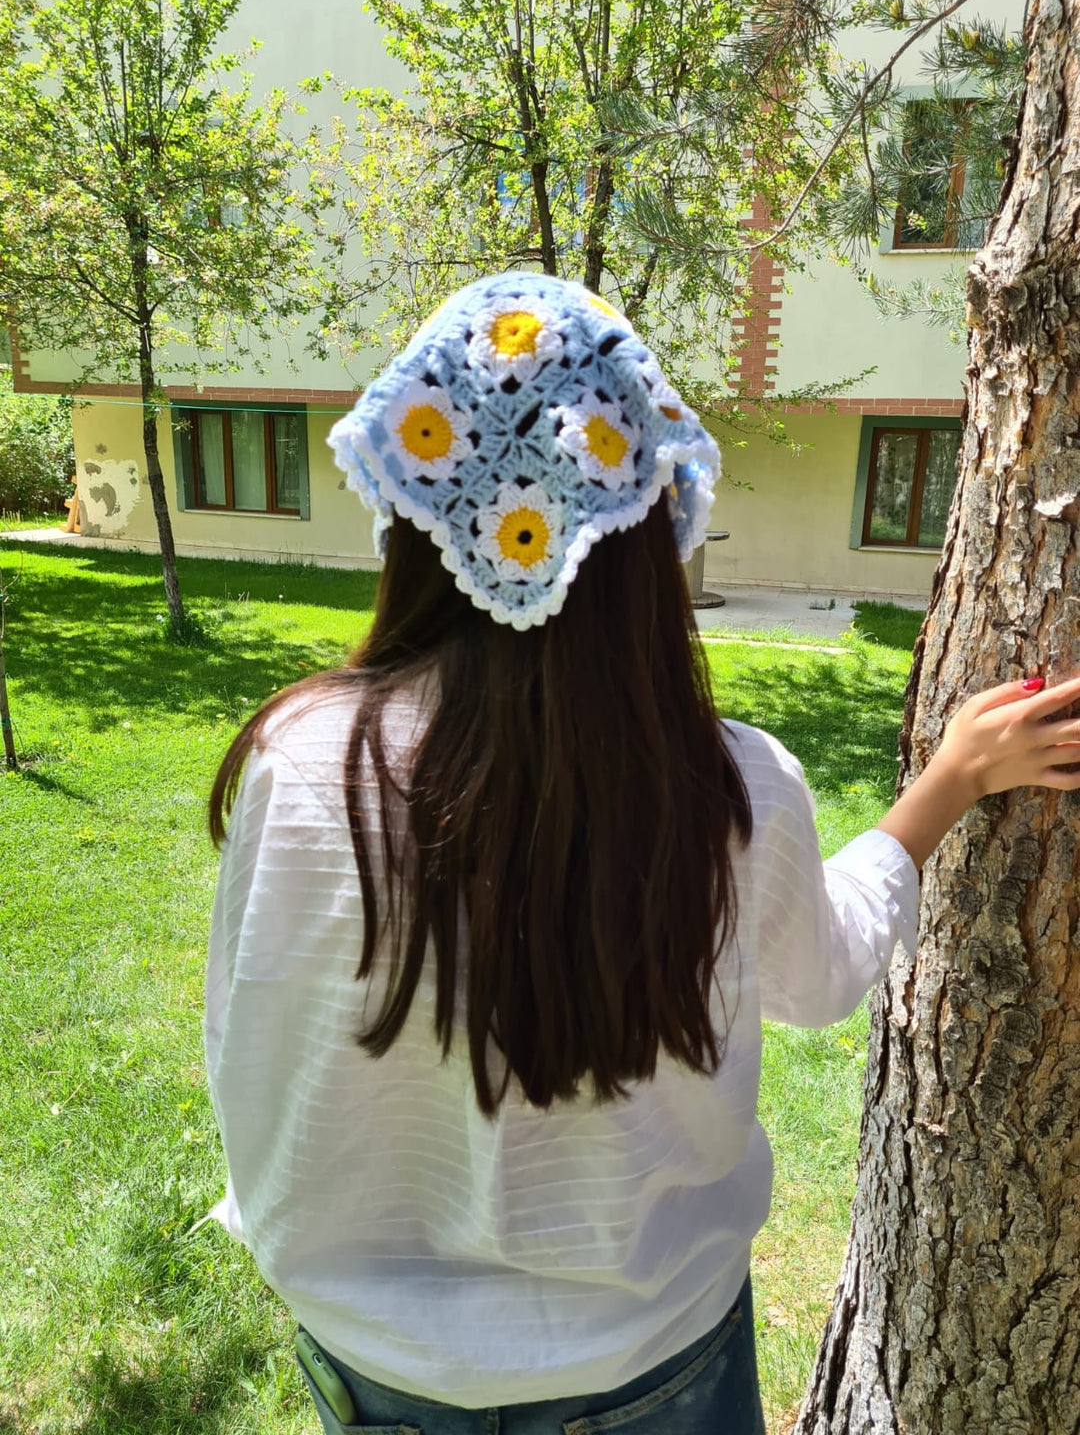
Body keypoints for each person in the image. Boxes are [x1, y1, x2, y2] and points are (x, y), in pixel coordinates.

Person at [204, 274, 1080, 1435]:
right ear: (652, 525)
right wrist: (949, 784)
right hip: (650, 1364)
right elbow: (820, 977)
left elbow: (245, 1036)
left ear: (412, 504)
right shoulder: (726, 788)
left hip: (378, 1373)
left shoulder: (301, 763)